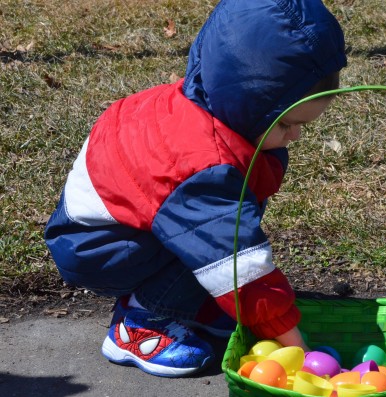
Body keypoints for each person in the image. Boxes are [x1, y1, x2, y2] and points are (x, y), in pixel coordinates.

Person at [44, 0, 346, 378]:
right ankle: (142, 322)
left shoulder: (211, 107)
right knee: (215, 245)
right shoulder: (198, 166)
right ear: (251, 104)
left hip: (124, 229)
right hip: (98, 248)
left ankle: (190, 307)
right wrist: (300, 352)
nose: (296, 136)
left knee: (226, 217)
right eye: (286, 124)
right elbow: (236, 264)